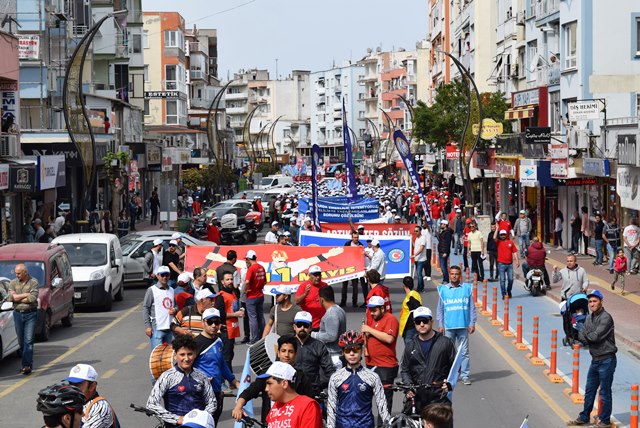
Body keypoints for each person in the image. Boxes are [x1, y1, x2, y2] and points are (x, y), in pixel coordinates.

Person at [232, 335, 315, 423]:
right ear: (278, 353)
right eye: (283, 351)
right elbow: (251, 390)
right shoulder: (268, 373)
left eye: (290, 351)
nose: (286, 355)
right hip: (268, 423)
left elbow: (310, 403)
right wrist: (238, 406)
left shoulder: (302, 378)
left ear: (295, 355)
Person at [566, 290, 617, 427]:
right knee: (589, 390)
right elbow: (583, 339)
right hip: (595, 359)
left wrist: (583, 330)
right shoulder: (589, 318)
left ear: (601, 301)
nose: (592, 304)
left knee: (605, 391)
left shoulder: (606, 318)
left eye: (595, 301)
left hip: (607, 359)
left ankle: (605, 420)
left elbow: (595, 337)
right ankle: (584, 417)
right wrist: (586, 333)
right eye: (590, 302)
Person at [147, 334, 217, 426]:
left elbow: (212, 402)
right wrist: (178, 419)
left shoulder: (201, 376)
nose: (186, 359)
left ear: (195, 354)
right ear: (175, 356)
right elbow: (151, 404)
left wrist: (201, 418)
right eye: (182, 355)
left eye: (190, 354)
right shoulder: (166, 376)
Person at [326, 330, 390, 428]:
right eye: (347, 350)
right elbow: (331, 407)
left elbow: (382, 405)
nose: (352, 353)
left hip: (366, 425)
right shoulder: (335, 377)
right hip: (342, 425)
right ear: (343, 352)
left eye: (356, 349)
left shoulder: (373, 377)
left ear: (362, 350)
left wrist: (388, 424)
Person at [400, 306, 455, 411]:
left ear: (432, 321)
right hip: (417, 400)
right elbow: (405, 370)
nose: (421, 324)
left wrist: (449, 383)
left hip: (439, 399)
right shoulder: (410, 346)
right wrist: (408, 386)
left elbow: (455, 368)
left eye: (425, 321)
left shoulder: (445, 343)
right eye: (418, 321)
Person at [193, 308, 240, 425]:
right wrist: (198, 379)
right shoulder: (196, 343)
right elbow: (185, 366)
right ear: (203, 322)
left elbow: (222, 363)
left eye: (217, 322)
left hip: (217, 391)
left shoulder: (219, 341)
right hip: (201, 393)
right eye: (210, 322)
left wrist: (233, 380)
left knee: (213, 423)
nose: (214, 325)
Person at [436, 265, 476, 385]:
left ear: (460, 276)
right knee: (448, 353)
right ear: (449, 275)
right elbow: (440, 309)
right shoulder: (443, 290)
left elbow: (472, 308)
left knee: (464, 352)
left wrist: (472, 323)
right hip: (449, 327)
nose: (454, 276)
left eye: (456, 274)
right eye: (452, 274)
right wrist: (440, 324)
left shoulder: (466, 289)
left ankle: (465, 375)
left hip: (463, 326)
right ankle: (448, 375)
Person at [362, 296, 399, 424]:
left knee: (383, 402)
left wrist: (369, 330)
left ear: (382, 308)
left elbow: (389, 338)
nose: (371, 313)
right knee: (367, 398)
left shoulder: (390, 319)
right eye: (370, 310)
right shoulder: (373, 320)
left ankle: (384, 425)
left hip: (385, 366)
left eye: (374, 310)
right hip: (371, 364)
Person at [261, 362, 323, 428]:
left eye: (269, 383)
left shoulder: (308, 406)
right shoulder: (276, 406)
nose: (266, 389)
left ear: (284, 384)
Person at [292, 311, 336, 397]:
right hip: (291, 391)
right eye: (299, 325)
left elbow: (329, 370)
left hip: (312, 392)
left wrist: (322, 386)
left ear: (310, 328)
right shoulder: (287, 344)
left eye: (305, 326)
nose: (302, 328)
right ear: (294, 327)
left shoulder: (319, 346)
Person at [6, 263, 39, 374]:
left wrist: (17, 297)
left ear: (25, 272)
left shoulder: (33, 282)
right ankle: (26, 362)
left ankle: (26, 365)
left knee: (28, 341)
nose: (17, 275)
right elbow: (10, 297)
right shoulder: (13, 282)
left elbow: (32, 298)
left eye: (19, 273)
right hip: (18, 314)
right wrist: (25, 295)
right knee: (21, 341)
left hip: (31, 314)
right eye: (16, 273)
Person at [63, 364, 119, 428]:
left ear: (92, 386)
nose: (73, 388)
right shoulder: (73, 402)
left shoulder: (100, 407)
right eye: (71, 383)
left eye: (78, 384)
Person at [142, 266, 177, 349]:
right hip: (157, 329)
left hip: (169, 328)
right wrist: (148, 326)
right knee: (157, 358)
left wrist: (175, 309)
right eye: (162, 275)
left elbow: (175, 305)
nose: (164, 277)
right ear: (157, 276)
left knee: (166, 358)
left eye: (167, 275)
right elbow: (146, 308)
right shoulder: (152, 290)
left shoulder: (171, 290)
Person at [312, 285, 347, 366]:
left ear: (321, 299)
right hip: (337, 353)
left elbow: (331, 336)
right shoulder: (339, 309)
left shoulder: (331, 314)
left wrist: (314, 335)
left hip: (333, 355)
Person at [216, 271, 243, 370]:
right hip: (225, 329)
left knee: (230, 354)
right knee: (226, 356)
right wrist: (234, 314)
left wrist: (239, 312)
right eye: (227, 279)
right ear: (222, 282)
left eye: (231, 279)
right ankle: (228, 379)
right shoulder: (221, 296)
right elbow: (220, 313)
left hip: (233, 328)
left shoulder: (233, 292)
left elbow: (233, 307)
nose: (230, 281)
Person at [294, 265, 327, 330]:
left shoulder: (325, 285)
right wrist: (305, 294)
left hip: (323, 324)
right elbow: (296, 302)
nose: (318, 277)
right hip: (309, 324)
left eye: (319, 275)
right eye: (315, 275)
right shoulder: (303, 286)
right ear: (309, 275)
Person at [244, 249, 266, 344]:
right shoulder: (261, 267)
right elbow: (265, 281)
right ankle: (263, 336)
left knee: (253, 318)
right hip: (260, 295)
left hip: (251, 296)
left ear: (249, 259)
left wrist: (245, 290)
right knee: (260, 316)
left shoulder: (251, 269)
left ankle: (254, 339)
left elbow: (247, 282)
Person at [340, 232, 366, 307]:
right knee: (344, 286)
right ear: (352, 238)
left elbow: (361, 257)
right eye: (354, 237)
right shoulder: (347, 244)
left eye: (357, 237)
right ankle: (343, 302)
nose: (356, 239)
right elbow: (343, 254)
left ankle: (354, 302)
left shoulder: (361, 245)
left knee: (355, 287)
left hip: (355, 268)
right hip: (347, 267)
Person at [493, 229, 520, 299]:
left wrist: (517, 260)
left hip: (509, 264)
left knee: (511, 279)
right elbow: (494, 238)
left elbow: (514, 252)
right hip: (501, 264)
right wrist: (496, 229)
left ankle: (509, 290)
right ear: (500, 235)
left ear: (506, 235)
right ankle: (504, 294)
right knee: (502, 280)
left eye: (504, 234)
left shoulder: (511, 243)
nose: (503, 236)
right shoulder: (498, 242)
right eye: (501, 235)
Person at [399, 276, 422, 344]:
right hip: (411, 327)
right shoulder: (415, 294)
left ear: (404, 285)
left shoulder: (411, 297)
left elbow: (416, 310)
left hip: (410, 327)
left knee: (410, 350)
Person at [413, 225, 431, 292]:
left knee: (419, 274)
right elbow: (415, 246)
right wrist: (411, 240)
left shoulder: (423, 238)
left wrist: (414, 255)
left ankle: (419, 289)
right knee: (419, 274)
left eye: (417, 231)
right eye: (414, 231)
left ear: (420, 231)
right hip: (417, 259)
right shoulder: (417, 238)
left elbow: (421, 248)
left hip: (421, 259)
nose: (415, 232)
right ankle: (422, 287)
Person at [437, 220, 453, 284]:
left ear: (445, 225)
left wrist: (445, 252)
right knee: (442, 266)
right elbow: (442, 240)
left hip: (444, 251)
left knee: (443, 266)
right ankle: (445, 279)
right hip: (441, 250)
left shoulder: (447, 233)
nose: (441, 225)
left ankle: (446, 279)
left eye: (442, 224)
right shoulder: (443, 232)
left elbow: (448, 243)